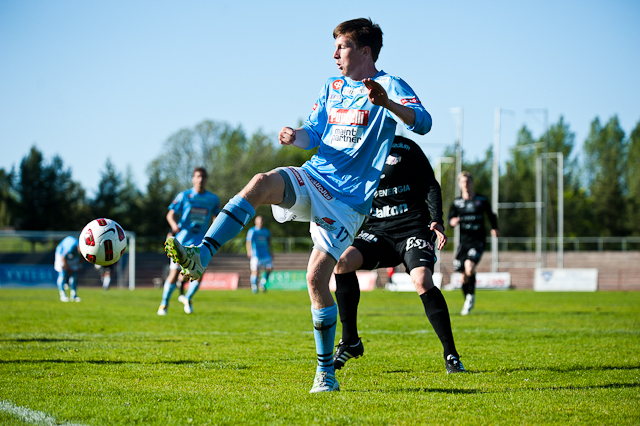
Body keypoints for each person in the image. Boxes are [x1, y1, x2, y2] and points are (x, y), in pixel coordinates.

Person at [165, 18, 432, 393]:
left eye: (342, 46)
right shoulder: (332, 86)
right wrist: (296, 135)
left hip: (347, 202)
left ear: (365, 51)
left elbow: (424, 122)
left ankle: (325, 373)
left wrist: (387, 103)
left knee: (315, 279)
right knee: (259, 182)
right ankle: (201, 256)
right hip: (315, 176)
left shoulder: (389, 86)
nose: (335, 53)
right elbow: (315, 133)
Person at [332, 135, 466, 374]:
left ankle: (451, 355)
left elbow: (431, 185)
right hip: (377, 231)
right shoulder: (356, 149)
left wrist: (436, 221)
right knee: (342, 263)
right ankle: (350, 341)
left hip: (412, 227)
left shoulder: (406, 147)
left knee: (422, 280)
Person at [157, 167, 220, 316]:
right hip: (181, 241)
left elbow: (217, 219)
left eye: (203, 176)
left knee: (198, 273)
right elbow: (170, 214)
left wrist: (215, 233)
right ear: (193, 178)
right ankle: (164, 303)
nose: (200, 179)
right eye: (197, 176)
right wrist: (174, 227)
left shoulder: (212, 199)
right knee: (173, 274)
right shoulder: (184, 196)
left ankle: (188, 298)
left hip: (201, 242)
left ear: (206, 179)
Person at [448, 171, 499, 315]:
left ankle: (470, 297)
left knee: (469, 266)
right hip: (464, 242)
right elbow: (450, 219)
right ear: (459, 184)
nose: (465, 184)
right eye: (462, 182)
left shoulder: (481, 200)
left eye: (467, 182)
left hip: (478, 240)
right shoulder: (457, 202)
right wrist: (453, 221)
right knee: (462, 273)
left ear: (472, 183)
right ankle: (468, 298)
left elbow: (491, 215)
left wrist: (494, 228)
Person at [246, 215, 273, 293]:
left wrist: (271, 252)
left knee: (269, 269)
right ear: (256, 221)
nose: (261, 222)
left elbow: (269, 242)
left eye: (262, 220)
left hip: (265, 254)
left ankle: (262, 284)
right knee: (255, 271)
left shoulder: (266, 231)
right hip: (256, 254)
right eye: (259, 220)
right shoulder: (252, 231)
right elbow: (248, 241)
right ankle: (254, 286)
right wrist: (249, 251)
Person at [54, 236, 82, 302]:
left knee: (74, 275)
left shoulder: (83, 249)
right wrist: (68, 268)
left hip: (73, 257)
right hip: (61, 254)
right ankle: (62, 295)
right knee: (63, 274)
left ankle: (74, 295)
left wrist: (79, 266)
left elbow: (82, 258)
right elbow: (63, 257)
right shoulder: (71, 247)